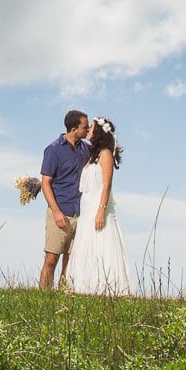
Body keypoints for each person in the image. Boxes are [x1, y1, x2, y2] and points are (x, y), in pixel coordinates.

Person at [63, 115, 134, 295]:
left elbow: (107, 185)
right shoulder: (91, 155)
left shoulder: (105, 154)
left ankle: (106, 287)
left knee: (102, 245)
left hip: (98, 208)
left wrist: (101, 211)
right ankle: (84, 286)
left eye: (91, 127)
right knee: (86, 245)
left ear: (99, 132)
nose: (88, 130)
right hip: (86, 209)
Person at [38, 109, 90, 289]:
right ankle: (43, 297)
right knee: (51, 260)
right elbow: (45, 183)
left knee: (70, 264)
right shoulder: (53, 149)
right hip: (60, 213)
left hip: (80, 215)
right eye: (85, 126)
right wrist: (56, 212)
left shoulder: (86, 150)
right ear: (74, 128)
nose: (88, 128)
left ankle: (64, 295)